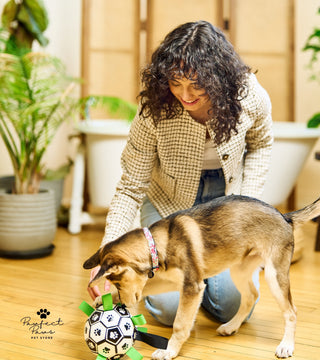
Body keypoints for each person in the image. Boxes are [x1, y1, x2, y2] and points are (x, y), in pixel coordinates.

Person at [88, 20, 273, 326]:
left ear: (218, 78)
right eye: (176, 82)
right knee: (167, 311)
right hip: (166, 203)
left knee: (229, 305)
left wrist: (246, 205)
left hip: (224, 204)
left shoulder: (249, 95)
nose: (185, 95)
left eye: (197, 84)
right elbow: (131, 186)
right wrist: (107, 252)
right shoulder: (155, 107)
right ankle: (190, 287)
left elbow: (262, 145)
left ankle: (199, 285)